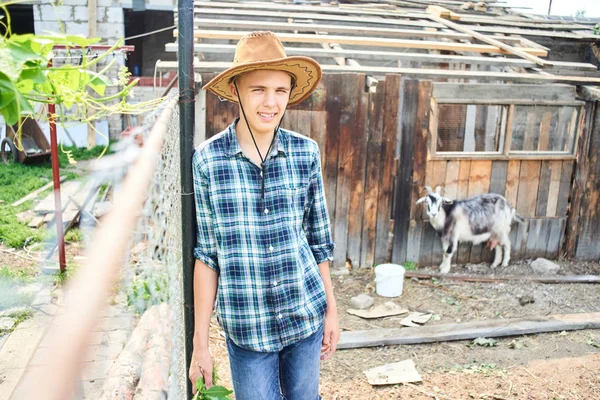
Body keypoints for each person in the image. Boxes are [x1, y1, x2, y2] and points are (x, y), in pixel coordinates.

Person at [189, 31, 339, 400]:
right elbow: (207, 255)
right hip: (247, 326)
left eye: (281, 91)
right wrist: (200, 343)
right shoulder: (208, 160)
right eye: (258, 89)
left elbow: (318, 242)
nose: (271, 102)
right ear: (236, 90)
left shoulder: (305, 153)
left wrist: (332, 312)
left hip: (304, 315)